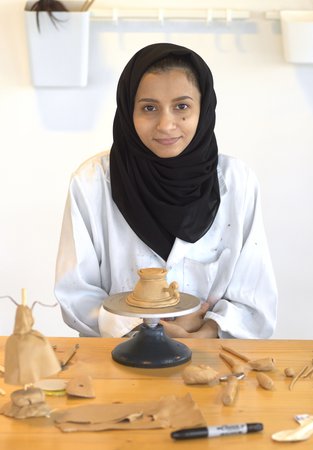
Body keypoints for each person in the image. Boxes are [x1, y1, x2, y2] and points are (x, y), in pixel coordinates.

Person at [54, 42, 277, 339]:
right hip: (115, 361)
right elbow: (76, 295)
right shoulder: (92, 182)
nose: (166, 124)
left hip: (214, 359)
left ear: (204, 109)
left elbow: (254, 299)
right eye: (149, 108)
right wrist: (142, 331)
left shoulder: (238, 183)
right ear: (127, 111)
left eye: (182, 106)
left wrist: (203, 335)